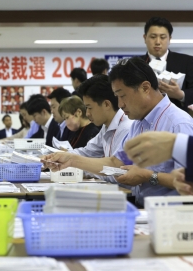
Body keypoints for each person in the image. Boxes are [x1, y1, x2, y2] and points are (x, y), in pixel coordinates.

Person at [42, 57, 193, 208]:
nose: (120, 104)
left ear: (145, 88)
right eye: (117, 97)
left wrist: (148, 176)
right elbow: (116, 163)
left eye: (122, 96)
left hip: (174, 217)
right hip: (144, 211)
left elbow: (188, 182)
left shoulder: (178, 123)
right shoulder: (139, 123)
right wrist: (71, 159)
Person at [141, 16, 193, 111]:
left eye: (163, 37)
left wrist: (180, 95)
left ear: (170, 38)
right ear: (145, 38)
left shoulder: (187, 62)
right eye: (153, 37)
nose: (157, 42)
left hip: (178, 118)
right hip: (142, 118)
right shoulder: (135, 64)